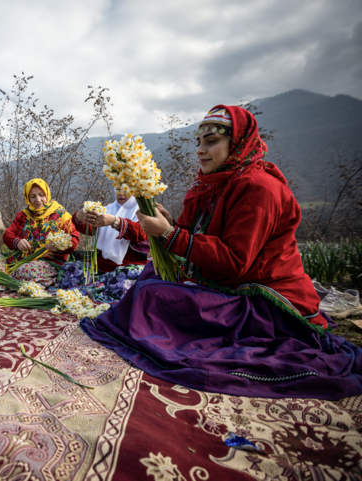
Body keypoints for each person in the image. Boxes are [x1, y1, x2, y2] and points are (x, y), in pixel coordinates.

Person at [80, 106, 362, 400]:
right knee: (153, 276)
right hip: (225, 285)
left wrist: (167, 232)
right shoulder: (209, 184)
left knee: (152, 295)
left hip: (262, 300)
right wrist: (170, 224)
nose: (201, 150)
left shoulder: (259, 188)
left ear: (237, 143)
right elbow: (194, 236)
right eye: (199, 142)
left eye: (212, 141)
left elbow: (236, 261)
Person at [0, 179, 79, 286]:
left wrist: (59, 247)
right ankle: (16, 281)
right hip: (22, 258)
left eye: (41, 195)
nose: (38, 200)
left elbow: (74, 238)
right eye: (33, 196)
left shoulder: (60, 214)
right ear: (28, 198)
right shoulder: (23, 215)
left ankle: (13, 282)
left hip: (50, 262)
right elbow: (8, 235)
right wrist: (17, 242)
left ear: (47, 194)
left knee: (25, 271)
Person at [72, 190, 149, 272]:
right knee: (70, 269)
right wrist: (79, 217)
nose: (121, 194)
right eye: (118, 190)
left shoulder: (144, 212)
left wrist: (116, 221)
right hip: (102, 263)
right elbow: (92, 229)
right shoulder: (108, 209)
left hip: (131, 265)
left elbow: (142, 232)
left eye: (126, 190)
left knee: (121, 278)